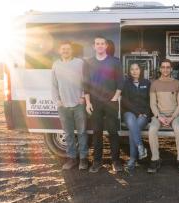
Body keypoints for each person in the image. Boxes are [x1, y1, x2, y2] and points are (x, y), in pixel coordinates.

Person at [83, 36, 123, 173]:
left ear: (106, 46)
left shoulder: (115, 62)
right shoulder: (88, 63)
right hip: (95, 102)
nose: (100, 46)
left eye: (102, 44)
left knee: (113, 132)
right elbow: (86, 84)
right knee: (97, 132)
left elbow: (120, 81)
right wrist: (88, 102)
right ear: (94, 46)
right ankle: (97, 161)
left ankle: (116, 161)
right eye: (97, 44)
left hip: (111, 102)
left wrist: (115, 97)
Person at [51, 41, 88, 170]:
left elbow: (85, 81)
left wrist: (83, 96)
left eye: (68, 49)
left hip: (78, 104)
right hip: (63, 106)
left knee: (82, 132)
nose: (65, 51)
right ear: (60, 51)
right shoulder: (56, 65)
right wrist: (57, 100)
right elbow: (53, 85)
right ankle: (72, 159)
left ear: (71, 51)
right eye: (63, 49)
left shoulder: (80, 63)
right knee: (68, 134)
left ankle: (83, 159)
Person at [148, 59, 179, 174]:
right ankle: (155, 159)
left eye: (168, 67)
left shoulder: (178, 83)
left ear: (171, 69)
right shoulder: (154, 84)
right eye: (163, 67)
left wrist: (172, 117)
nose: (165, 69)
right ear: (160, 69)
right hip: (159, 115)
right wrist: (159, 116)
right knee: (152, 130)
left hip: (174, 115)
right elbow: (152, 104)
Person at [121, 62, 150, 173]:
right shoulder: (126, 83)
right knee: (132, 121)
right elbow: (126, 102)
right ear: (129, 71)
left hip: (144, 113)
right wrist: (137, 113)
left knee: (134, 128)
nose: (134, 71)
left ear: (140, 70)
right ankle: (140, 147)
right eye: (132, 69)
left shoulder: (147, 83)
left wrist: (146, 113)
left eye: (136, 69)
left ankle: (132, 159)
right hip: (129, 112)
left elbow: (149, 100)